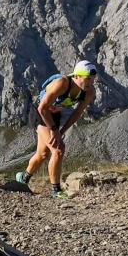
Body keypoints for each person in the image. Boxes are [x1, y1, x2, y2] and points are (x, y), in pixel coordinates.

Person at [16, 60, 98, 198]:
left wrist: (61, 131)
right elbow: (42, 108)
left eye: (93, 79)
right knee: (58, 149)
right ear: (77, 76)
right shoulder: (63, 83)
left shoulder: (89, 92)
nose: (90, 83)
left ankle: (23, 178)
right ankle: (56, 191)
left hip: (54, 116)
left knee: (42, 154)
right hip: (40, 113)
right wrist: (54, 130)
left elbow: (77, 113)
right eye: (87, 79)